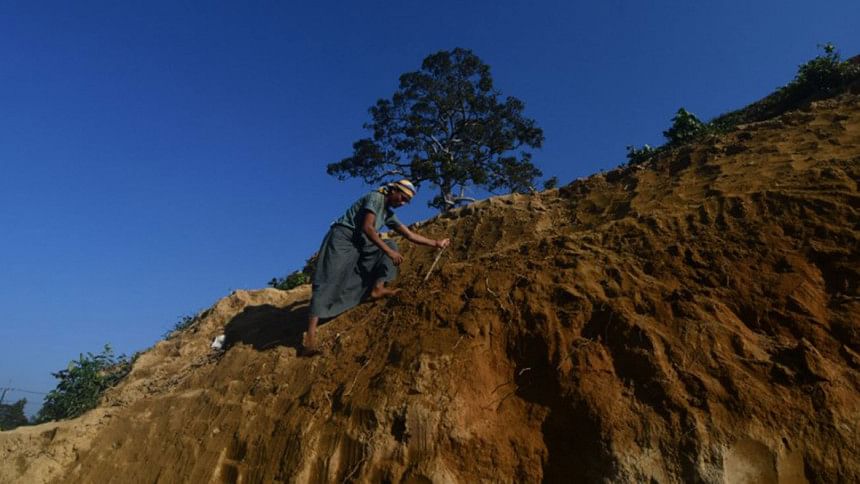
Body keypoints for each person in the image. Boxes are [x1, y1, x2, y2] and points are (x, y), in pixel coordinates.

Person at [302, 179, 450, 355]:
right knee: (329, 279)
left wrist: (436, 243)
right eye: (402, 198)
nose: (402, 203)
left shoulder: (387, 214)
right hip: (343, 238)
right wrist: (389, 252)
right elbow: (368, 228)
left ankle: (377, 288)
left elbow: (409, 235)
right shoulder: (375, 197)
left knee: (392, 244)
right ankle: (310, 337)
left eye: (406, 202)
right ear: (393, 190)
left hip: (360, 243)